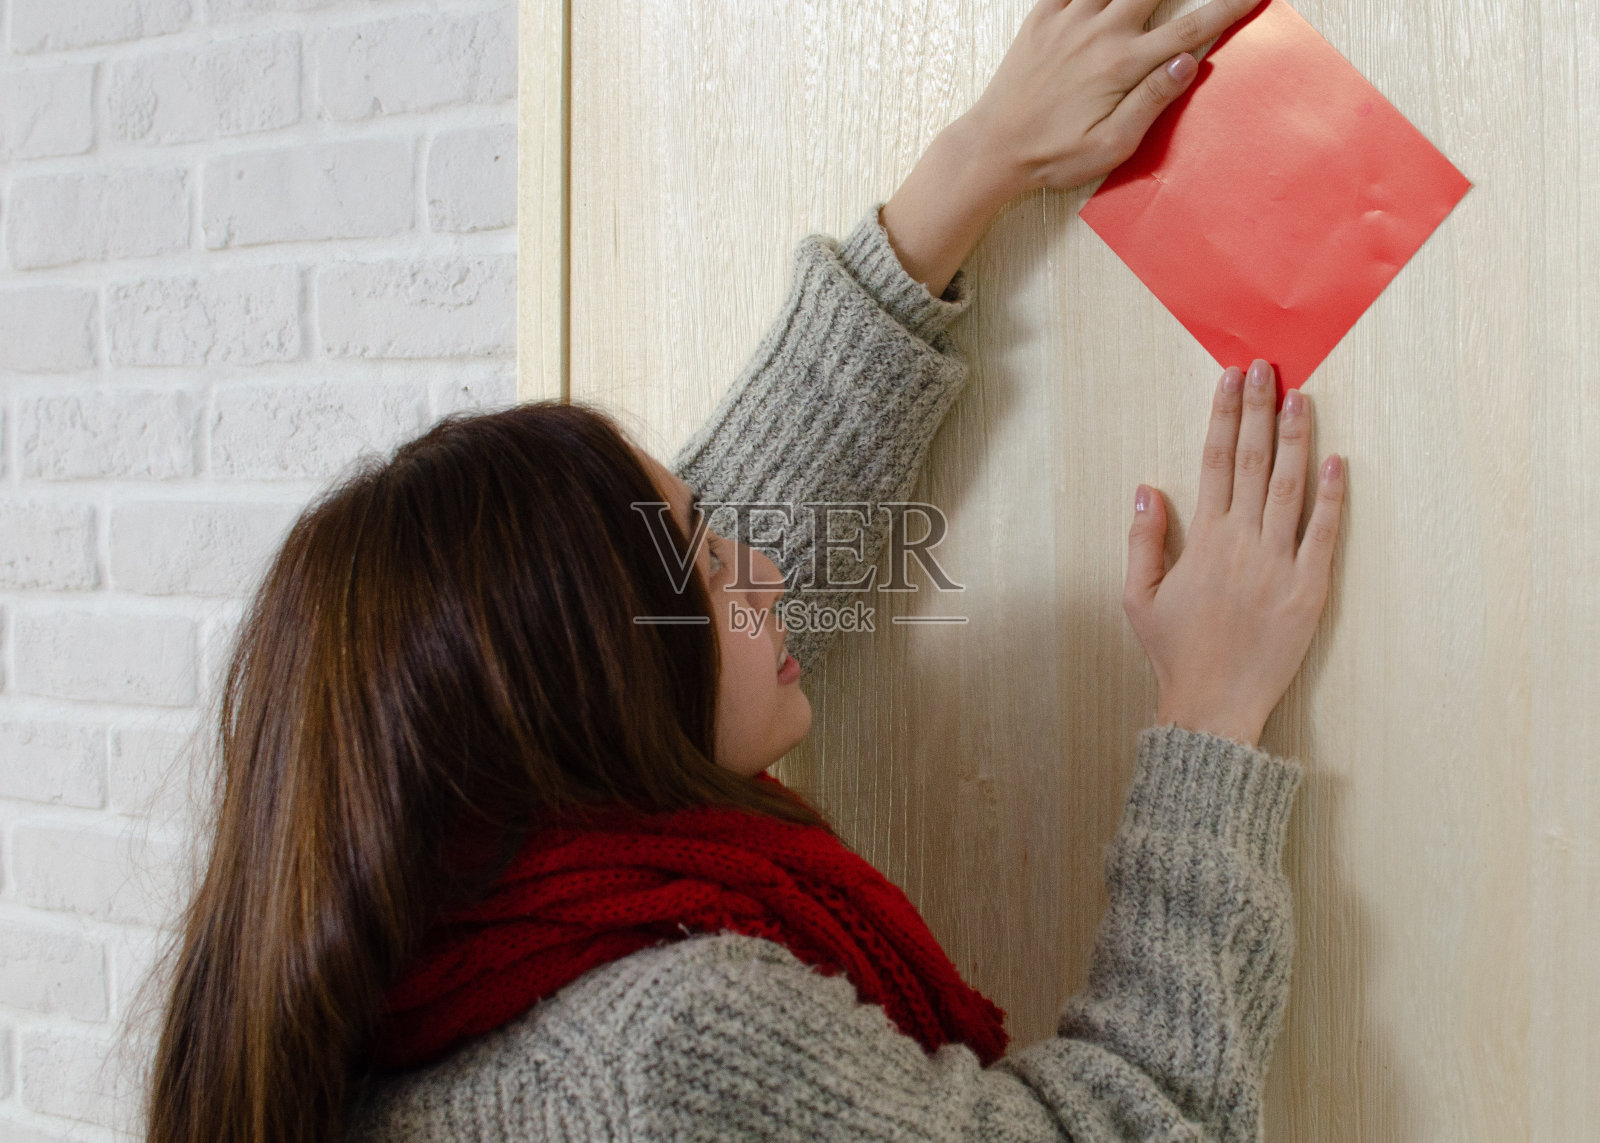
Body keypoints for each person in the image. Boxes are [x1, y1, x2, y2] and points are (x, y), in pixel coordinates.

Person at [144, 0, 1346, 1139]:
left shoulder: (425, 936)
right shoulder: (663, 1054)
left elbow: (684, 575)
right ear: (597, 687)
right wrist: (1210, 718)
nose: (757, 572)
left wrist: (972, 166)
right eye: (711, 562)